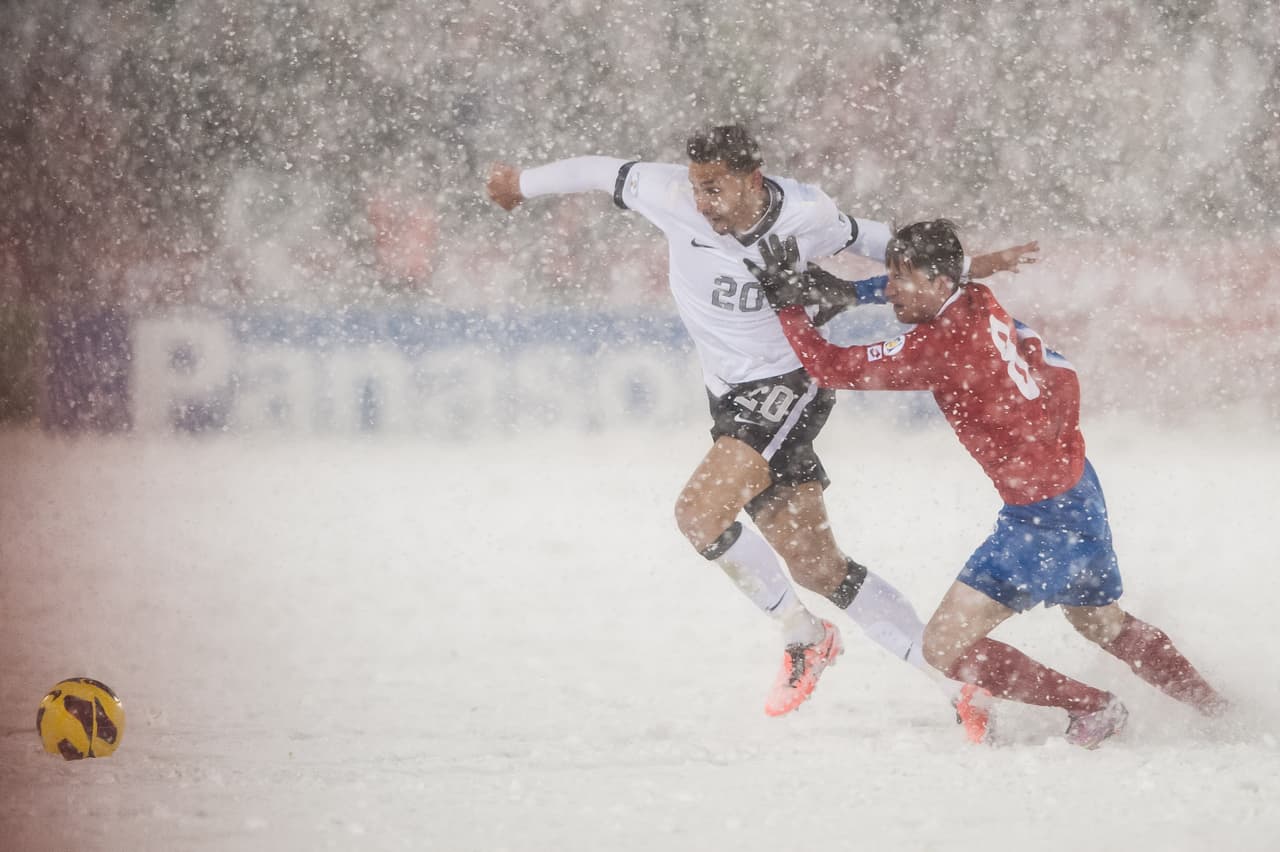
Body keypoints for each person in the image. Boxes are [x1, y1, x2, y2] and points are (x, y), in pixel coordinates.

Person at [485, 125, 1036, 720]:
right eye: (698, 188)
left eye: (716, 188)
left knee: (698, 514)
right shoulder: (667, 193)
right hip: (728, 397)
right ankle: (958, 688)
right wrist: (521, 183)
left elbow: (881, 242)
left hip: (788, 383)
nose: (702, 202)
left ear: (751, 179)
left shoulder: (807, 213)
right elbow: (597, 169)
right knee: (820, 567)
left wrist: (963, 268)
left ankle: (802, 636)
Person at [746, 220, 1226, 747]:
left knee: (944, 648)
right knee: (1102, 624)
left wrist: (787, 306)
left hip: (1041, 517)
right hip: (1078, 488)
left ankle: (1094, 707)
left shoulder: (942, 345)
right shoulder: (979, 299)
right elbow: (1062, 372)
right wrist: (849, 293)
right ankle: (1218, 711)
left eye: (902, 278)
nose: (891, 289)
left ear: (939, 281)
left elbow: (829, 366)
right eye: (888, 276)